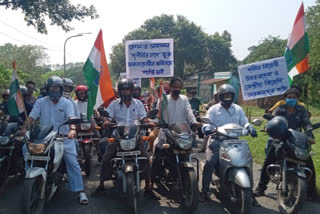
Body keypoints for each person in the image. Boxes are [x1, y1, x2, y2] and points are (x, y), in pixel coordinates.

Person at [20, 76, 88, 205]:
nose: (55, 90)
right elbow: (32, 117)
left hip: (63, 138)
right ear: (48, 89)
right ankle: (29, 175)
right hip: (44, 138)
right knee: (26, 149)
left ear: (61, 89)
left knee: (72, 161)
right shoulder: (41, 102)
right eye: (52, 87)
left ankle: (80, 190)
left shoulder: (67, 103)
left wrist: (72, 129)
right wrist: (24, 127)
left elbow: (71, 117)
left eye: (57, 87)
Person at [93, 78, 157, 199]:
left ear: (131, 90)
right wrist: (106, 121)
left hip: (135, 135)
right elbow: (109, 117)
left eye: (127, 90)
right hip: (118, 135)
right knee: (106, 158)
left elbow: (143, 118)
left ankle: (148, 187)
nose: (125, 92)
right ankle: (101, 185)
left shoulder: (138, 103)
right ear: (119, 92)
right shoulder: (113, 104)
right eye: (123, 90)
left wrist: (149, 122)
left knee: (145, 158)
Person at [254, 88, 317, 200]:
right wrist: (268, 127)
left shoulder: (302, 110)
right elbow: (272, 121)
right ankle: (261, 187)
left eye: (294, 97)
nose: (291, 99)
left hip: (296, 139)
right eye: (289, 97)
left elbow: (307, 125)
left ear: (297, 99)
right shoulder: (280, 109)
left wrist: (310, 136)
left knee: (309, 163)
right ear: (285, 98)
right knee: (269, 159)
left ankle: (313, 194)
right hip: (280, 138)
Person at [200, 84, 257, 201]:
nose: (228, 98)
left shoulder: (238, 109)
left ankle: (250, 193)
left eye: (230, 95)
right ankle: (204, 190)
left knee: (247, 162)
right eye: (225, 95)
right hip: (217, 139)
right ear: (220, 96)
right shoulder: (213, 109)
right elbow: (207, 122)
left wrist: (249, 127)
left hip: (235, 140)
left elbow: (244, 121)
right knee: (210, 162)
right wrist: (206, 127)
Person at [151, 77, 201, 184]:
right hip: (166, 132)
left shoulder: (184, 99)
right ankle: (153, 179)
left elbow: (189, 112)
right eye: (174, 87)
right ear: (170, 87)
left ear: (181, 88)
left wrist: (194, 122)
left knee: (189, 151)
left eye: (179, 87)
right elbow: (158, 114)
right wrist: (156, 122)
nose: (177, 89)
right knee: (158, 152)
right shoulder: (163, 99)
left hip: (182, 133)